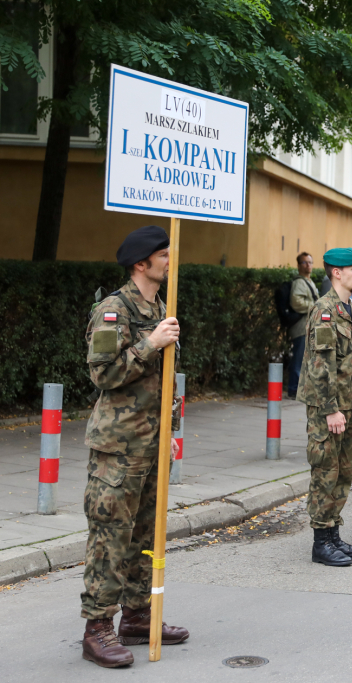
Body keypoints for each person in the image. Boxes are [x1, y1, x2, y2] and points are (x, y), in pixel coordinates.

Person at [81, 225, 187, 668]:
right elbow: (101, 375)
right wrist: (150, 343)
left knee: (146, 533)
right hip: (118, 447)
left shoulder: (161, 305)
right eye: (164, 255)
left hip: (152, 442)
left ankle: (138, 615)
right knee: (111, 536)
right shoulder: (114, 310)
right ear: (141, 263)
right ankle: (97, 627)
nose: (170, 260)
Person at [296, 249, 352, 566]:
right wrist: (330, 409)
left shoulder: (350, 310)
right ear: (337, 273)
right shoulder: (324, 311)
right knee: (325, 472)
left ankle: (333, 535)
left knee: (342, 472)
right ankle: (320, 542)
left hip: (348, 406)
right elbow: (320, 365)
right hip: (328, 407)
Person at [288, 252, 319, 399]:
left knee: (305, 360)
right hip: (301, 327)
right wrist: (314, 306)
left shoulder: (309, 281)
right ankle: (294, 389)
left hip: (308, 326)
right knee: (299, 360)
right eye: (305, 262)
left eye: (310, 262)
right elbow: (296, 302)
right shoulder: (299, 282)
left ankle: (300, 389)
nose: (309, 265)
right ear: (299, 265)